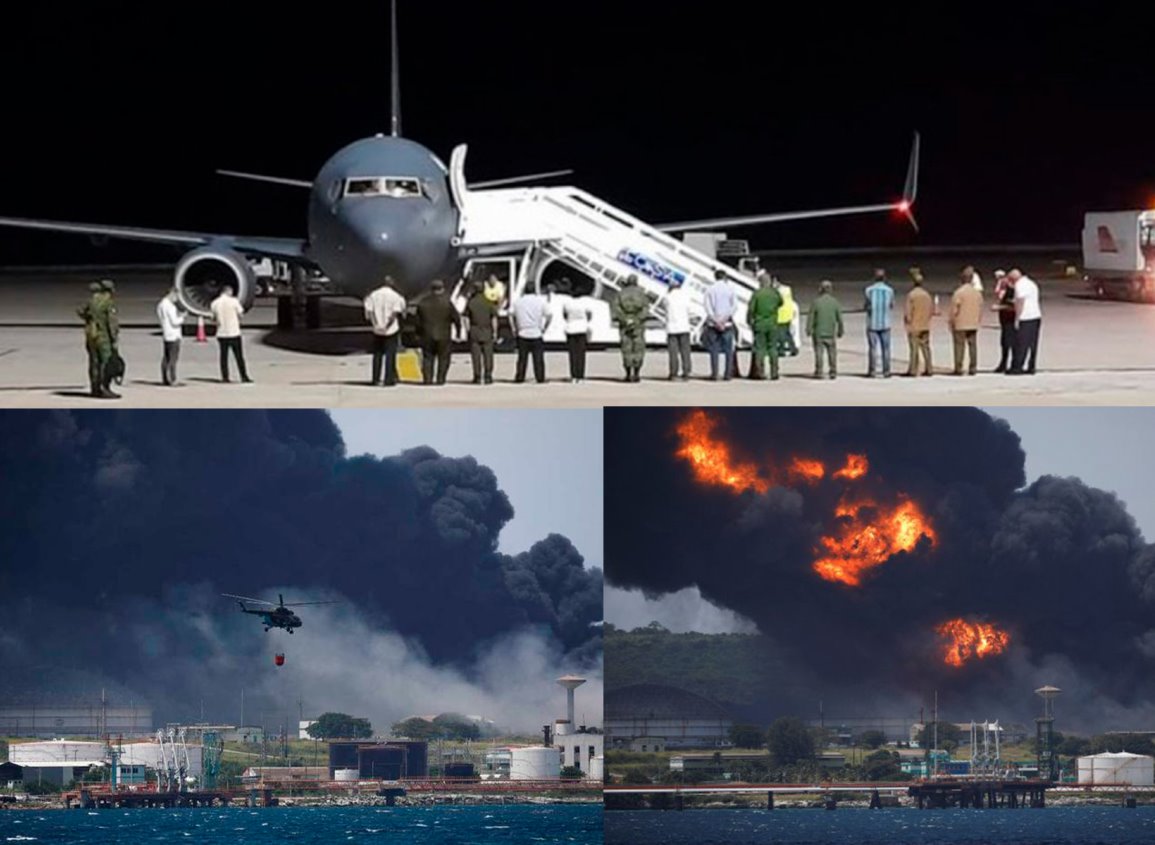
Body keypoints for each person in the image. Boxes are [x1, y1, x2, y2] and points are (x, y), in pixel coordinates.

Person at [363, 276, 407, 386]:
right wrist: (386, 326)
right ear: (392, 284)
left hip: (377, 330)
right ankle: (389, 379)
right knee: (390, 355)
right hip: (391, 330)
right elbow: (394, 314)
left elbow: (369, 313)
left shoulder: (373, 295)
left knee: (377, 355)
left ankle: (375, 378)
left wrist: (376, 325)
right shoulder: (396, 296)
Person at [416, 279, 461, 385]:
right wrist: (458, 332)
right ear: (442, 289)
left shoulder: (423, 303)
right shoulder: (447, 303)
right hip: (444, 335)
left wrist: (418, 334)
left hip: (427, 335)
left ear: (431, 289)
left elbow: (417, 321)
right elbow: (456, 318)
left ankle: (428, 379)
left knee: (427, 358)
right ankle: (441, 379)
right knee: (444, 358)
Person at [210, 283, 251, 383]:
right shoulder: (234, 301)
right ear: (229, 292)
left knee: (223, 357)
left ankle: (225, 377)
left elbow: (213, 318)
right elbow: (241, 314)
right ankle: (243, 376)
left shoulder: (215, 303)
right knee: (239, 356)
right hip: (234, 332)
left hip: (222, 333)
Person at [612, 274, 649, 382]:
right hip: (638, 325)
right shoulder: (641, 294)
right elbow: (645, 309)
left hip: (624, 325)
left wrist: (625, 319)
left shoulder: (621, 293)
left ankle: (628, 374)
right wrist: (637, 320)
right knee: (638, 348)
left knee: (626, 349)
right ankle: (637, 374)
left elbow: (617, 308)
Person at [747, 272, 783, 380]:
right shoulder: (774, 293)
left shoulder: (757, 294)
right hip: (772, 324)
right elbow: (781, 303)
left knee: (760, 349)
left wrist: (749, 321)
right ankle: (774, 372)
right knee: (773, 348)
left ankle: (760, 372)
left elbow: (751, 310)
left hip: (760, 324)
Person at [511, 286, 551, 383]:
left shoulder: (518, 302)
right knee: (538, 358)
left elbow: (510, 314)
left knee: (522, 358)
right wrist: (545, 327)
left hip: (522, 332)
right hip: (536, 332)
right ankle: (540, 377)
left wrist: (514, 328)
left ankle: (520, 377)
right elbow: (549, 315)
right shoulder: (540, 301)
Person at [949, 267, 983, 375]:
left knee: (959, 346)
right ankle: (973, 367)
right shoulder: (977, 293)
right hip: (973, 323)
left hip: (960, 323)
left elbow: (954, 309)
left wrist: (951, 321)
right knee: (972, 346)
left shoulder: (959, 293)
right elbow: (980, 308)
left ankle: (959, 368)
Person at [704, 270, 737, 380]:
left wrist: (715, 320)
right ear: (725, 277)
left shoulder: (710, 289)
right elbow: (734, 306)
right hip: (727, 323)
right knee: (728, 350)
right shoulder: (730, 289)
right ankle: (727, 374)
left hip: (713, 324)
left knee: (714, 350)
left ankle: (715, 374)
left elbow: (707, 307)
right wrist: (724, 320)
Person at [806, 280, 843, 379]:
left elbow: (811, 317)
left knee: (819, 353)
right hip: (830, 332)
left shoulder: (816, 302)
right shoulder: (834, 302)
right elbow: (839, 318)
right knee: (832, 353)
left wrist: (808, 329)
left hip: (819, 332)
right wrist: (840, 330)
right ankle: (833, 371)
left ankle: (819, 371)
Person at [1008, 268, 1042, 375]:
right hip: (1036, 316)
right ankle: (1031, 366)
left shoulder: (1020, 285)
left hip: (1026, 317)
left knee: (1021, 344)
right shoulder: (1031, 283)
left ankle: (1017, 367)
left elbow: (1020, 302)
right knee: (1032, 344)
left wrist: (1017, 318)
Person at [464, 281, 498, 384]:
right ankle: (488, 376)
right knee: (488, 355)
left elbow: (465, 318)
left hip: (474, 330)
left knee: (476, 355)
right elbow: (494, 319)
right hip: (487, 330)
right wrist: (495, 331)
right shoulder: (489, 302)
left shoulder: (471, 302)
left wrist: (468, 330)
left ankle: (477, 376)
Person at [863, 268, 895, 377]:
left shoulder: (869, 290)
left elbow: (866, 305)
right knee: (886, 349)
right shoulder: (889, 290)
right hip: (885, 324)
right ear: (884, 278)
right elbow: (891, 305)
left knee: (872, 349)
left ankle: (872, 371)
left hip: (872, 324)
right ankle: (886, 371)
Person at [562, 282, 594, 383]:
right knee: (581, 354)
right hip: (582, 329)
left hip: (570, 329)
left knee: (572, 354)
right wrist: (585, 321)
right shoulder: (584, 303)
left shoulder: (567, 303)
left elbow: (564, 315)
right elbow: (589, 315)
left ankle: (573, 376)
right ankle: (581, 375)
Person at [904, 268, 934, 376]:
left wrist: (907, 323)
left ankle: (913, 370)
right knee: (926, 348)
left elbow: (908, 312)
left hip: (914, 326)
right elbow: (931, 310)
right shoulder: (927, 295)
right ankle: (929, 368)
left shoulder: (911, 295)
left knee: (914, 349)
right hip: (925, 325)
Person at [664, 276, 693, 380]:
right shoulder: (686, 296)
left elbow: (665, 309)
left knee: (673, 352)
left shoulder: (668, 297)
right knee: (685, 351)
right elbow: (689, 310)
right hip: (684, 326)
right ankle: (686, 372)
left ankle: (673, 373)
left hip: (672, 327)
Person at [156, 287, 185, 386]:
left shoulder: (161, 305)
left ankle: (165, 378)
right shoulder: (170, 307)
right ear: (172, 294)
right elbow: (175, 321)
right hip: (174, 334)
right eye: (176, 296)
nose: (177, 299)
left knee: (166, 358)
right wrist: (182, 317)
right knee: (173, 359)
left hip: (166, 334)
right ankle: (172, 379)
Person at [991, 269, 1016, 373]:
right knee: (1004, 343)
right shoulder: (1006, 289)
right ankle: (1003, 363)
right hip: (1005, 321)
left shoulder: (1013, 291)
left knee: (1009, 343)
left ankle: (1010, 364)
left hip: (1010, 320)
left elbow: (1013, 306)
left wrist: (999, 307)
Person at [774, 276, 799, 357]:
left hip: (781, 315)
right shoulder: (787, 289)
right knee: (788, 334)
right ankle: (793, 349)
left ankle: (781, 351)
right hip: (788, 313)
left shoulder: (778, 291)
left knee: (780, 334)